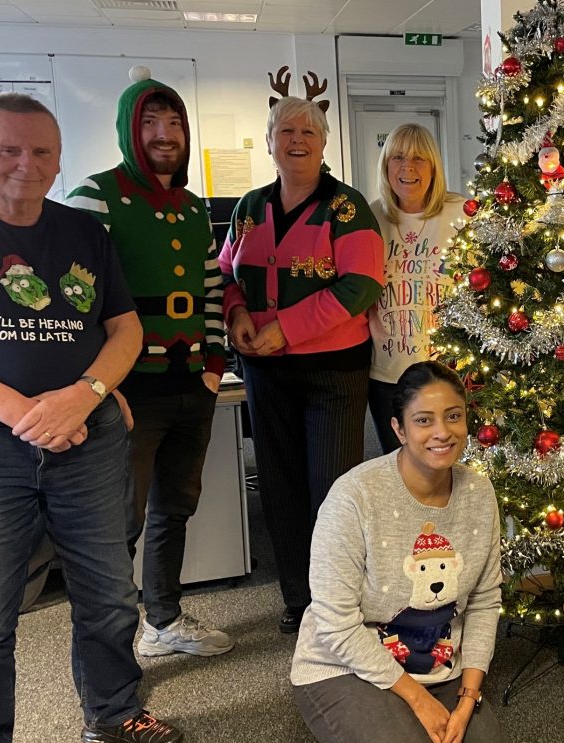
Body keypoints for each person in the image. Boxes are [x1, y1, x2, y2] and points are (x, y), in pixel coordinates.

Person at [0, 93, 182, 742]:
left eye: (41, 151)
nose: (26, 163)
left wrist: (86, 393)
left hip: (88, 438)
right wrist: (25, 413)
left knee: (108, 595)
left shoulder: (85, 233)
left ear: (58, 159)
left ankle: (114, 714)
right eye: (8, 150)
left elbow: (126, 330)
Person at [67, 75, 232, 658]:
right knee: (119, 523)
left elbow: (212, 291)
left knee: (174, 510)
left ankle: (162, 621)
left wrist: (214, 365)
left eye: (174, 123)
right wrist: (100, 385)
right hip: (127, 393)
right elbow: (75, 302)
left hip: (192, 385)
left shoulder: (192, 208)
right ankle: (110, 652)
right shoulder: (95, 197)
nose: (165, 135)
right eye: (150, 123)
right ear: (128, 131)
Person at [219, 95, 384, 633]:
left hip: (332, 372)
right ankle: (299, 598)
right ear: (269, 142)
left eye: (308, 132)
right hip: (265, 371)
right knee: (280, 486)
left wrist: (285, 328)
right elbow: (225, 272)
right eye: (285, 131)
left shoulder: (347, 208)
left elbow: (362, 285)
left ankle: (339, 603)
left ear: (323, 143)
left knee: (332, 490)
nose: (296, 141)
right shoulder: (249, 207)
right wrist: (236, 312)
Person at [290, 361, 507, 743]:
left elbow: (484, 601)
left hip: (437, 665)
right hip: (343, 665)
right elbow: (336, 622)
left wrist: (469, 695)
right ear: (399, 429)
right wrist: (418, 700)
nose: (442, 432)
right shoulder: (353, 496)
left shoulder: (478, 492)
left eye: (453, 416)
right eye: (424, 420)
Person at [367, 122, 466, 454]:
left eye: (418, 158)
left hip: (448, 371)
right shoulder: (370, 217)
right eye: (397, 157)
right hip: (388, 373)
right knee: (397, 464)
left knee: (448, 460)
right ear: (385, 166)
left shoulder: (460, 213)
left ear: (434, 166)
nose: (407, 167)